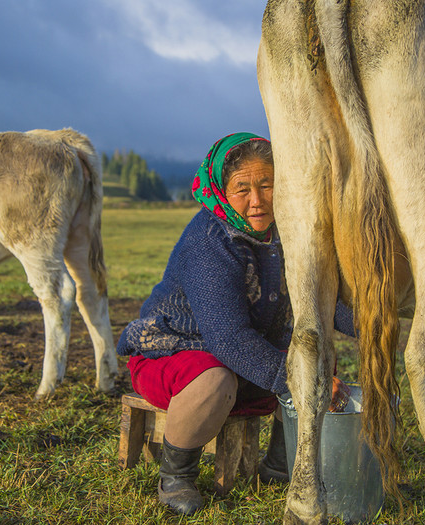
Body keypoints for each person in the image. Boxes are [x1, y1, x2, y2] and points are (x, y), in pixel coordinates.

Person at [116, 133, 355, 515]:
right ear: (222, 192)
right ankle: (177, 475)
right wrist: (299, 379)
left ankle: (280, 464)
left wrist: (376, 323)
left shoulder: (288, 232)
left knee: (318, 357)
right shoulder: (209, 240)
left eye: (267, 185)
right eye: (242, 188)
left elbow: (322, 301)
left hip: (238, 357)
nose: (257, 200)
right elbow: (227, 339)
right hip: (177, 354)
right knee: (215, 379)